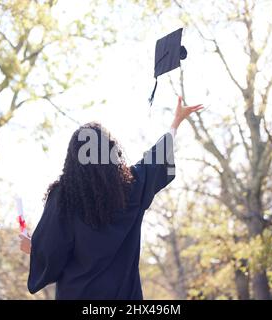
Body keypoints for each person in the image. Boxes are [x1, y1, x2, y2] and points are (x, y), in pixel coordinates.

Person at [19, 96, 203, 299]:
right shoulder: (132, 189)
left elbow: (52, 253)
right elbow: (155, 161)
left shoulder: (63, 199)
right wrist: (175, 122)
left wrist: (33, 249)